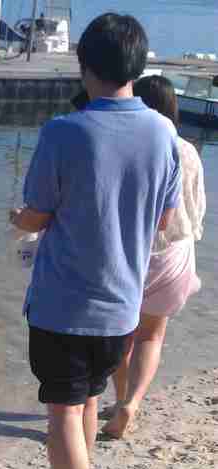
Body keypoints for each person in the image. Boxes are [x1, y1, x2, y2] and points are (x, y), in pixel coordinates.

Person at [9, 14, 180, 469]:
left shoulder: (64, 130)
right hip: (123, 304)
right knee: (86, 400)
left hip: (64, 303)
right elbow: (165, 217)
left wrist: (22, 217)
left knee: (62, 412)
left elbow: (36, 216)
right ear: (138, 64)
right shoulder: (162, 132)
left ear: (85, 65)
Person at [101, 76, 206, 439]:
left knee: (120, 335)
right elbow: (197, 206)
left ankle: (117, 400)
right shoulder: (189, 150)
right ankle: (132, 402)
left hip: (135, 252)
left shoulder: (133, 146)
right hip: (176, 252)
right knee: (152, 335)